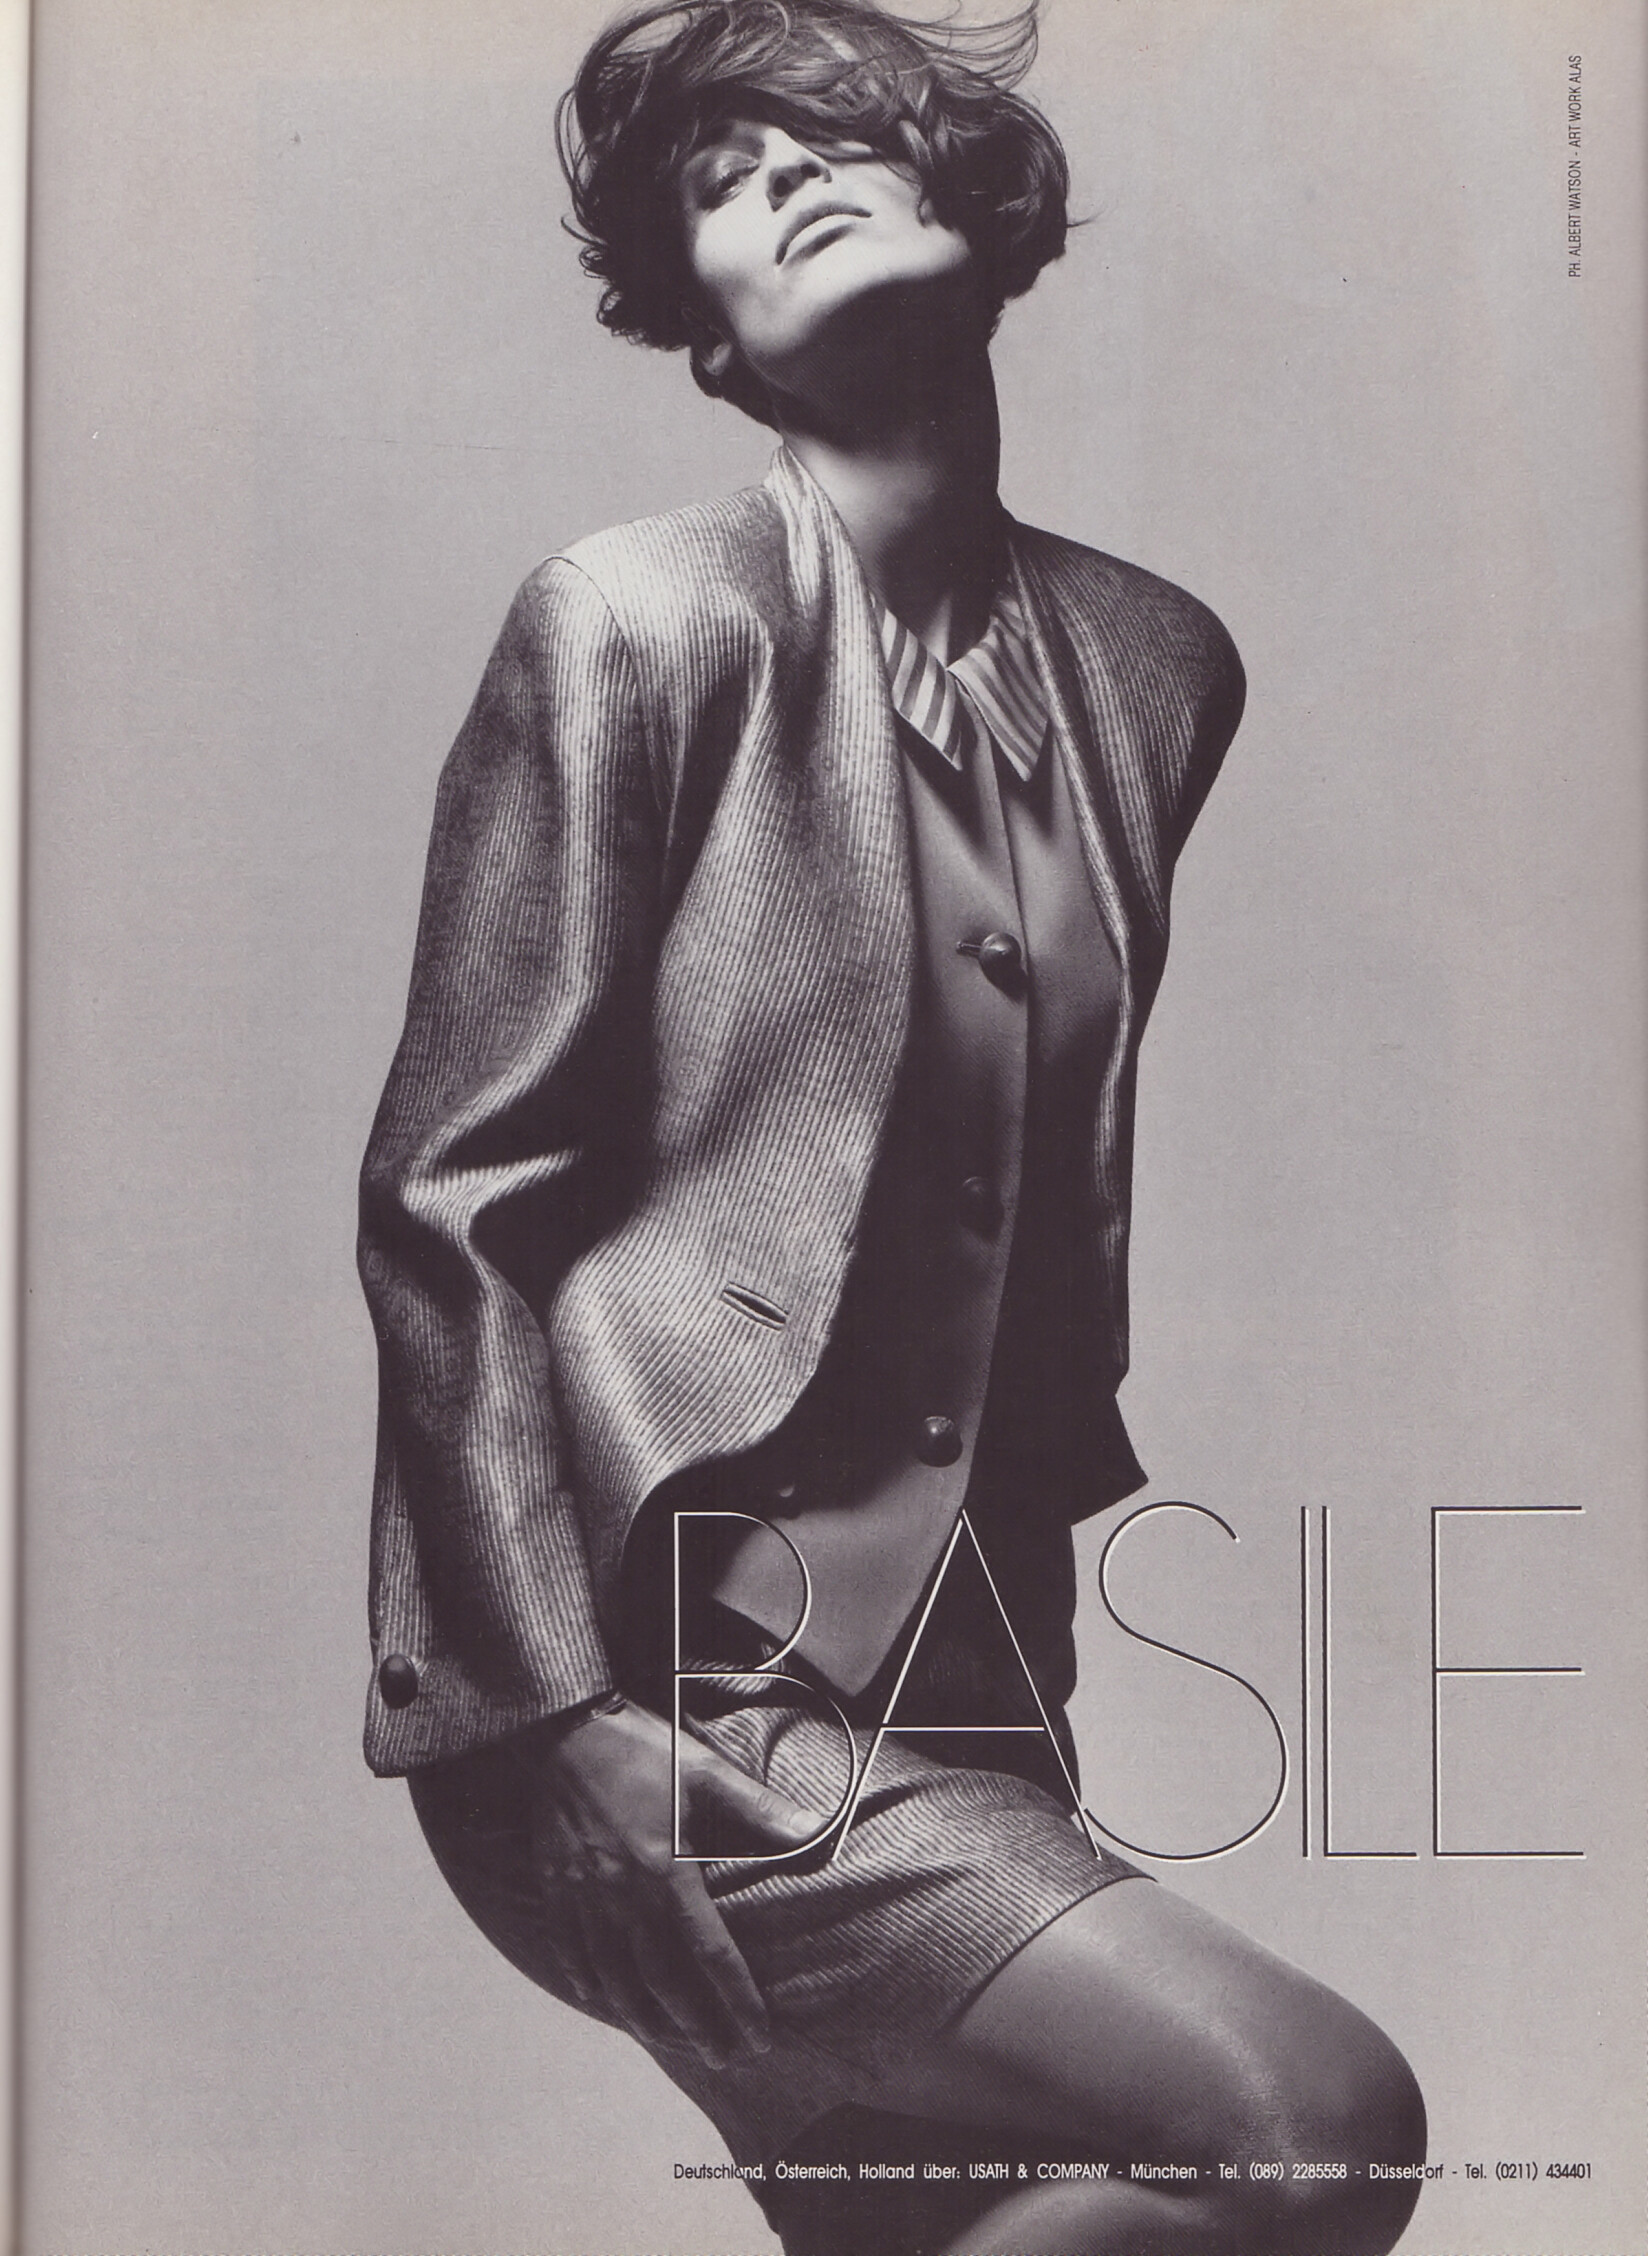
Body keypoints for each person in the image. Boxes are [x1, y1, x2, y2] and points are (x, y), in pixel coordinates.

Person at [358, 3, 1428, 2249]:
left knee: (1080, 2222)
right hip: (658, 1699)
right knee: (1317, 2118)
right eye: (721, 184)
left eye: (830, 134)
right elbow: (451, 1205)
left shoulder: (1154, 666)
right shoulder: (636, 626)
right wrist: (547, 1721)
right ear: (707, 337)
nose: (784, 179)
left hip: (970, 1661)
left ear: (976, 197)